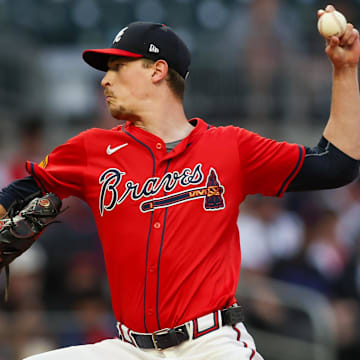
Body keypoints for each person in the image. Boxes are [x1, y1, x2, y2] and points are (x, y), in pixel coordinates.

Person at [0, 4, 359, 360]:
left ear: (158, 70)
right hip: (129, 348)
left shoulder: (229, 147)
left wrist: (345, 71)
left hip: (210, 344)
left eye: (118, 66)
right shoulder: (92, 149)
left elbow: (336, 165)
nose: (105, 79)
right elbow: (18, 194)